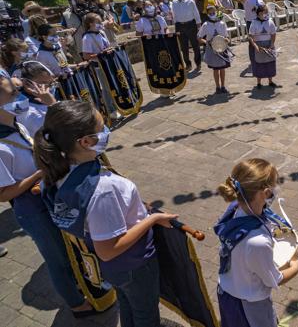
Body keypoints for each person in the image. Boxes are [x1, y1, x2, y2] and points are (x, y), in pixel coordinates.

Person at [34, 100, 178, 327]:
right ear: (86, 142)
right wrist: (153, 219)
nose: (106, 131)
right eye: (102, 129)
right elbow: (108, 250)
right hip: (133, 262)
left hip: (115, 268)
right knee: (146, 314)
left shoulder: (57, 174)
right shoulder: (104, 189)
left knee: (128, 304)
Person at [0, 79, 96, 318]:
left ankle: (81, 284)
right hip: (32, 209)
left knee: (67, 248)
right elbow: (4, 195)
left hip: (46, 196)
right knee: (57, 258)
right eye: (13, 94)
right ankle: (77, 305)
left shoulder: (15, 124)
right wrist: (41, 172)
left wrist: (50, 104)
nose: (19, 98)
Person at [214, 158, 298, 327]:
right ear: (266, 192)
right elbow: (273, 280)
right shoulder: (257, 241)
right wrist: (295, 266)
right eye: (274, 186)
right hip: (250, 306)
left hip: (226, 292)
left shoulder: (233, 210)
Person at [198, 5, 231, 94]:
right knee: (216, 69)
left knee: (222, 69)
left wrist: (226, 40)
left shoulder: (222, 23)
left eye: (214, 12)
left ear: (216, 12)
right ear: (207, 14)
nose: (212, 14)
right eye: (210, 13)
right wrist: (207, 43)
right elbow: (199, 37)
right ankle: (217, 87)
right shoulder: (205, 25)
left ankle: (223, 86)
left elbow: (227, 36)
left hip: (222, 48)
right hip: (212, 50)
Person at [16, 61, 56, 135]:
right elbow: (46, 129)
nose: (48, 88)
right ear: (26, 83)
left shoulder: (47, 98)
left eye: (50, 83)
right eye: (42, 83)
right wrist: (53, 105)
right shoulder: (21, 106)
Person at [172, 0, 202, 72]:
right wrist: (176, 26)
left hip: (191, 25)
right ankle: (188, 65)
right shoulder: (174, 2)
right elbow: (174, 15)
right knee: (183, 47)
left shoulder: (190, 1)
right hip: (179, 26)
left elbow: (196, 13)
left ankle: (198, 63)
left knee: (195, 45)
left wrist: (198, 25)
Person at [249, 5, 277, 89]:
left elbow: (273, 34)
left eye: (267, 12)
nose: (266, 14)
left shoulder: (270, 21)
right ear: (259, 13)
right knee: (259, 63)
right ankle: (259, 83)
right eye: (265, 12)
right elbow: (250, 36)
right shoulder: (254, 23)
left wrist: (272, 44)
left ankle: (270, 81)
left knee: (270, 63)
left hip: (268, 44)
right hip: (259, 45)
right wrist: (255, 46)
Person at [241, 0, 266, 69]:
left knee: (261, 40)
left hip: (259, 21)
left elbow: (264, 7)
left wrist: (262, 8)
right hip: (250, 22)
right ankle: (253, 60)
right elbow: (241, 0)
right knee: (252, 42)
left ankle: (261, 58)